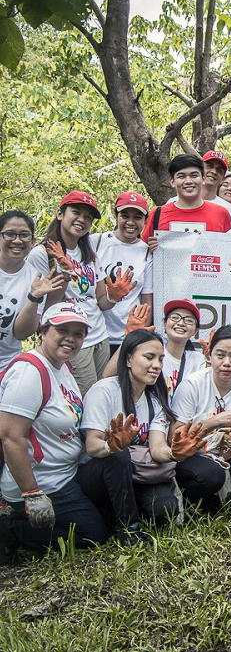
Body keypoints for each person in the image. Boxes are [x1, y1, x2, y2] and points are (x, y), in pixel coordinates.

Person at [0, 303, 107, 559]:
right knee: (93, 534)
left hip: (66, 474)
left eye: (78, 333)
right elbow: (10, 437)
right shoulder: (29, 372)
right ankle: (9, 529)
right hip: (44, 483)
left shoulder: (61, 367)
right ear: (44, 330)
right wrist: (32, 494)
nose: (71, 338)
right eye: (62, 329)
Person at [28, 192, 133, 394]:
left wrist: (114, 296)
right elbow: (45, 312)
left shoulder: (89, 254)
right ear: (60, 213)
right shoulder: (42, 255)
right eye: (76, 213)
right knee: (85, 397)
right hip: (73, 338)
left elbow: (100, 302)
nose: (81, 220)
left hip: (99, 335)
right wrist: (64, 275)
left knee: (104, 392)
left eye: (87, 217)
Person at [79, 329, 180, 532]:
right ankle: (128, 527)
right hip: (96, 476)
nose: (157, 365)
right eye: (149, 357)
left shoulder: (155, 400)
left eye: (160, 359)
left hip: (136, 475)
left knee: (165, 508)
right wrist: (112, 445)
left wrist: (174, 453)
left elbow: (157, 447)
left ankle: (121, 507)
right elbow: (92, 446)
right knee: (119, 455)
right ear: (128, 359)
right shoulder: (103, 391)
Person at [171, 325, 231, 508]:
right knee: (212, 475)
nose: (226, 363)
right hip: (193, 455)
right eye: (220, 355)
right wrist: (217, 421)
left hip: (228, 455)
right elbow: (174, 436)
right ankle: (191, 500)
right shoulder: (192, 384)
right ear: (209, 356)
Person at [91, 192, 154, 356]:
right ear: (116, 216)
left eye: (137, 218)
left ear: (145, 220)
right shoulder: (97, 242)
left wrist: (141, 337)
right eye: (125, 216)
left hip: (127, 334)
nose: (130, 222)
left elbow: (146, 299)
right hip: (96, 333)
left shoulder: (147, 252)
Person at [0, 210, 63, 371]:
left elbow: (21, 334)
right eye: (9, 234)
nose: (17, 240)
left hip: (6, 364)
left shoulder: (36, 278)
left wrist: (33, 297)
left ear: (33, 241)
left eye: (24, 235)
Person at [141, 154, 231, 245]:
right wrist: (149, 249)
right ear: (172, 182)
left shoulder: (222, 214)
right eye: (181, 176)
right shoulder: (157, 214)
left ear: (203, 178)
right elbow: (142, 251)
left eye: (194, 176)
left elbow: (230, 253)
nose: (188, 181)